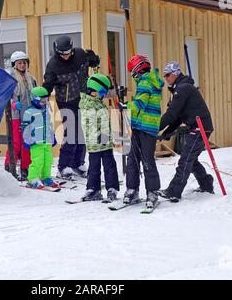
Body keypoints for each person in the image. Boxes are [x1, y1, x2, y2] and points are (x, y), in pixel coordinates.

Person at [43, 35, 100, 181]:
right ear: (57, 52)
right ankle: (64, 166)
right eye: (63, 54)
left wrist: (94, 59)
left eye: (68, 53)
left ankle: (78, 163)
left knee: (82, 132)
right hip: (66, 101)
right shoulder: (53, 65)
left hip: (83, 98)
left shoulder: (80, 54)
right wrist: (43, 96)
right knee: (72, 132)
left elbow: (91, 61)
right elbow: (48, 84)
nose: (66, 56)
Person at [158, 61, 214, 203]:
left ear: (176, 73)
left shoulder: (183, 88)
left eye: (168, 75)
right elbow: (177, 118)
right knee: (191, 158)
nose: (166, 78)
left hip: (200, 127)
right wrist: (166, 133)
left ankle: (174, 191)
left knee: (185, 160)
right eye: (164, 76)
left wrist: (154, 127)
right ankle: (206, 184)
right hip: (196, 127)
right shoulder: (180, 88)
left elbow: (171, 114)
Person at [119, 55, 164, 210]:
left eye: (132, 71)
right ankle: (133, 190)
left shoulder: (145, 82)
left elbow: (140, 104)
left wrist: (125, 106)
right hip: (142, 126)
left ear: (137, 70)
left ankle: (151, 192)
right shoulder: (151, 80)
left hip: (145, 127)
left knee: (144, 160)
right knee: (134, 159)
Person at [79, 73, 120, 202]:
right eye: (102, 91)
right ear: (94, 91)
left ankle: (111, 188)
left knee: (109, 166)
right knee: (94, 167)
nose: (104, 94)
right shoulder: (89, 104)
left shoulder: (96, 103)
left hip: (103, 142)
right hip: (94, 142)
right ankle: (93, 189)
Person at [4, 51, 37, 181]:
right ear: (14, 65)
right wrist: (13, 103)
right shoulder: (12, 79)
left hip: (29, 115)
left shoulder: (31, 79)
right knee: (16, 142)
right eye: (19, 63)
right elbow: (7, 95)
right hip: (17, 116)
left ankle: (25, 169)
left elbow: (36, 94)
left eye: (24, 62)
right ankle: (9, 167)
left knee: (27, 143)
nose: (22, 65)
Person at [22, 86, 58, 189]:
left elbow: (49, 125)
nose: (44, 102)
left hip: (47, 141)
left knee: (48, 160)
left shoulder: (46, 110)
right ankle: (33, 178)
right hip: (35, 141)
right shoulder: (29, 111)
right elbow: (25, 128)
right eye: (42, 100)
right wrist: (27, 140)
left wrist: (52, 136)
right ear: (35, 99)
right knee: (38, 160)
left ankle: (45, 177)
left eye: (46, 99)